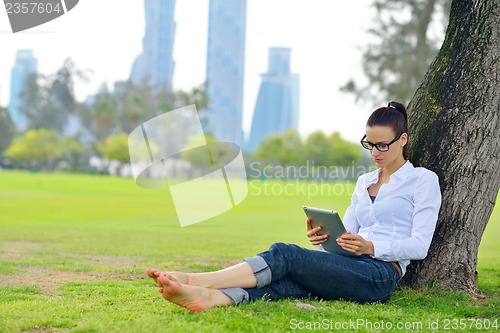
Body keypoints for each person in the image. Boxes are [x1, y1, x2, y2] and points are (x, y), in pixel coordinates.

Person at [146, 101, 442, 312]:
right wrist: (326, 239)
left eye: (382, 145)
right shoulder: (365, 182)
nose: (375, 152)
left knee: (284, 254)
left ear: (402, 140)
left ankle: (198, 281)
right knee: (286, 280)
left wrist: (370, 247)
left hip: (380, 274)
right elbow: (348, 236)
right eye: (369, 144)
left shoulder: (421, 180)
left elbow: (419, 246)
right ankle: (212, 299)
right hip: (351, 265)